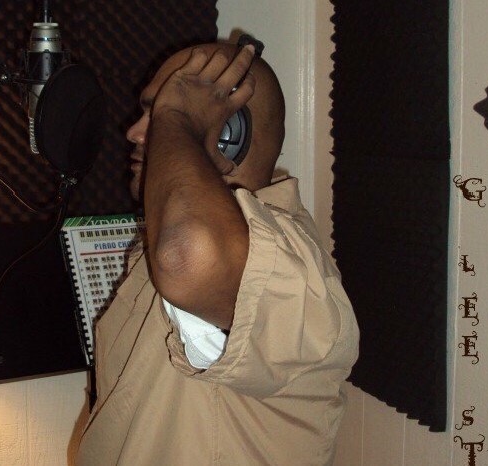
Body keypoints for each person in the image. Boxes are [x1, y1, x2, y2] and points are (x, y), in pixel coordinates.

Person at [74, 41, 359, 465]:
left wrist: (178, 121)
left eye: (160, 115)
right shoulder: (166, 235)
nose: (134, 132)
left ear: (228, 137)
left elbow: (187, 257)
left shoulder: (288, 268)